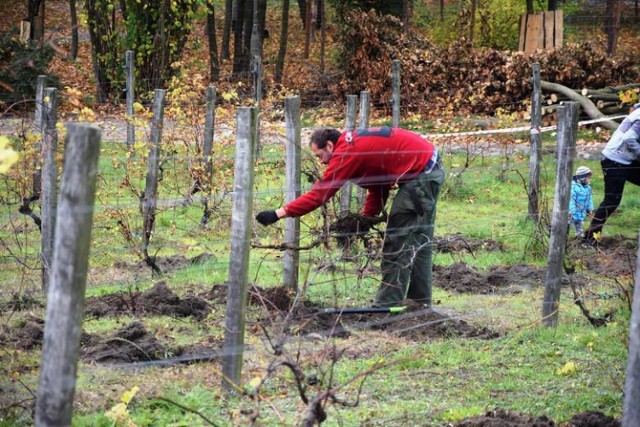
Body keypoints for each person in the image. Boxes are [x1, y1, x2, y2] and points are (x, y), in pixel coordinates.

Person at [255, 126, 445, 308]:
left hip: (421, 176)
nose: (321, 162)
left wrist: (278, 213)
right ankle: (420, 303)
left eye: (320, 155)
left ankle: (386, 306)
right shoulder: (355, 145)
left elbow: (320, 194)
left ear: (330, 146)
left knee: (397, 242)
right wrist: (365, 219)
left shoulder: (346, 153)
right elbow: (379, 186)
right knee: (420, 240)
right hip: (429, 169)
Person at [583, 105, 640, 246]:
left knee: (611, 201)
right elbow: (629, 138)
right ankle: (590, 239)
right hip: (615, 160)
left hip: (625, 159)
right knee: (611, 201)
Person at [568, 166, 594, 237]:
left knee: (579, 226)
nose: (590, 180)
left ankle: (578, 238)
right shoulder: (573, 187)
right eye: (588, 178)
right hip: (572, 214)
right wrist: (571, 212)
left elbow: (589, 199)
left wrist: (590, 209)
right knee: (567, 226)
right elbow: (571, 200)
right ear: (582, 178)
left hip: (581, 212)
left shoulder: (588, 188)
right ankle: (563, 238)